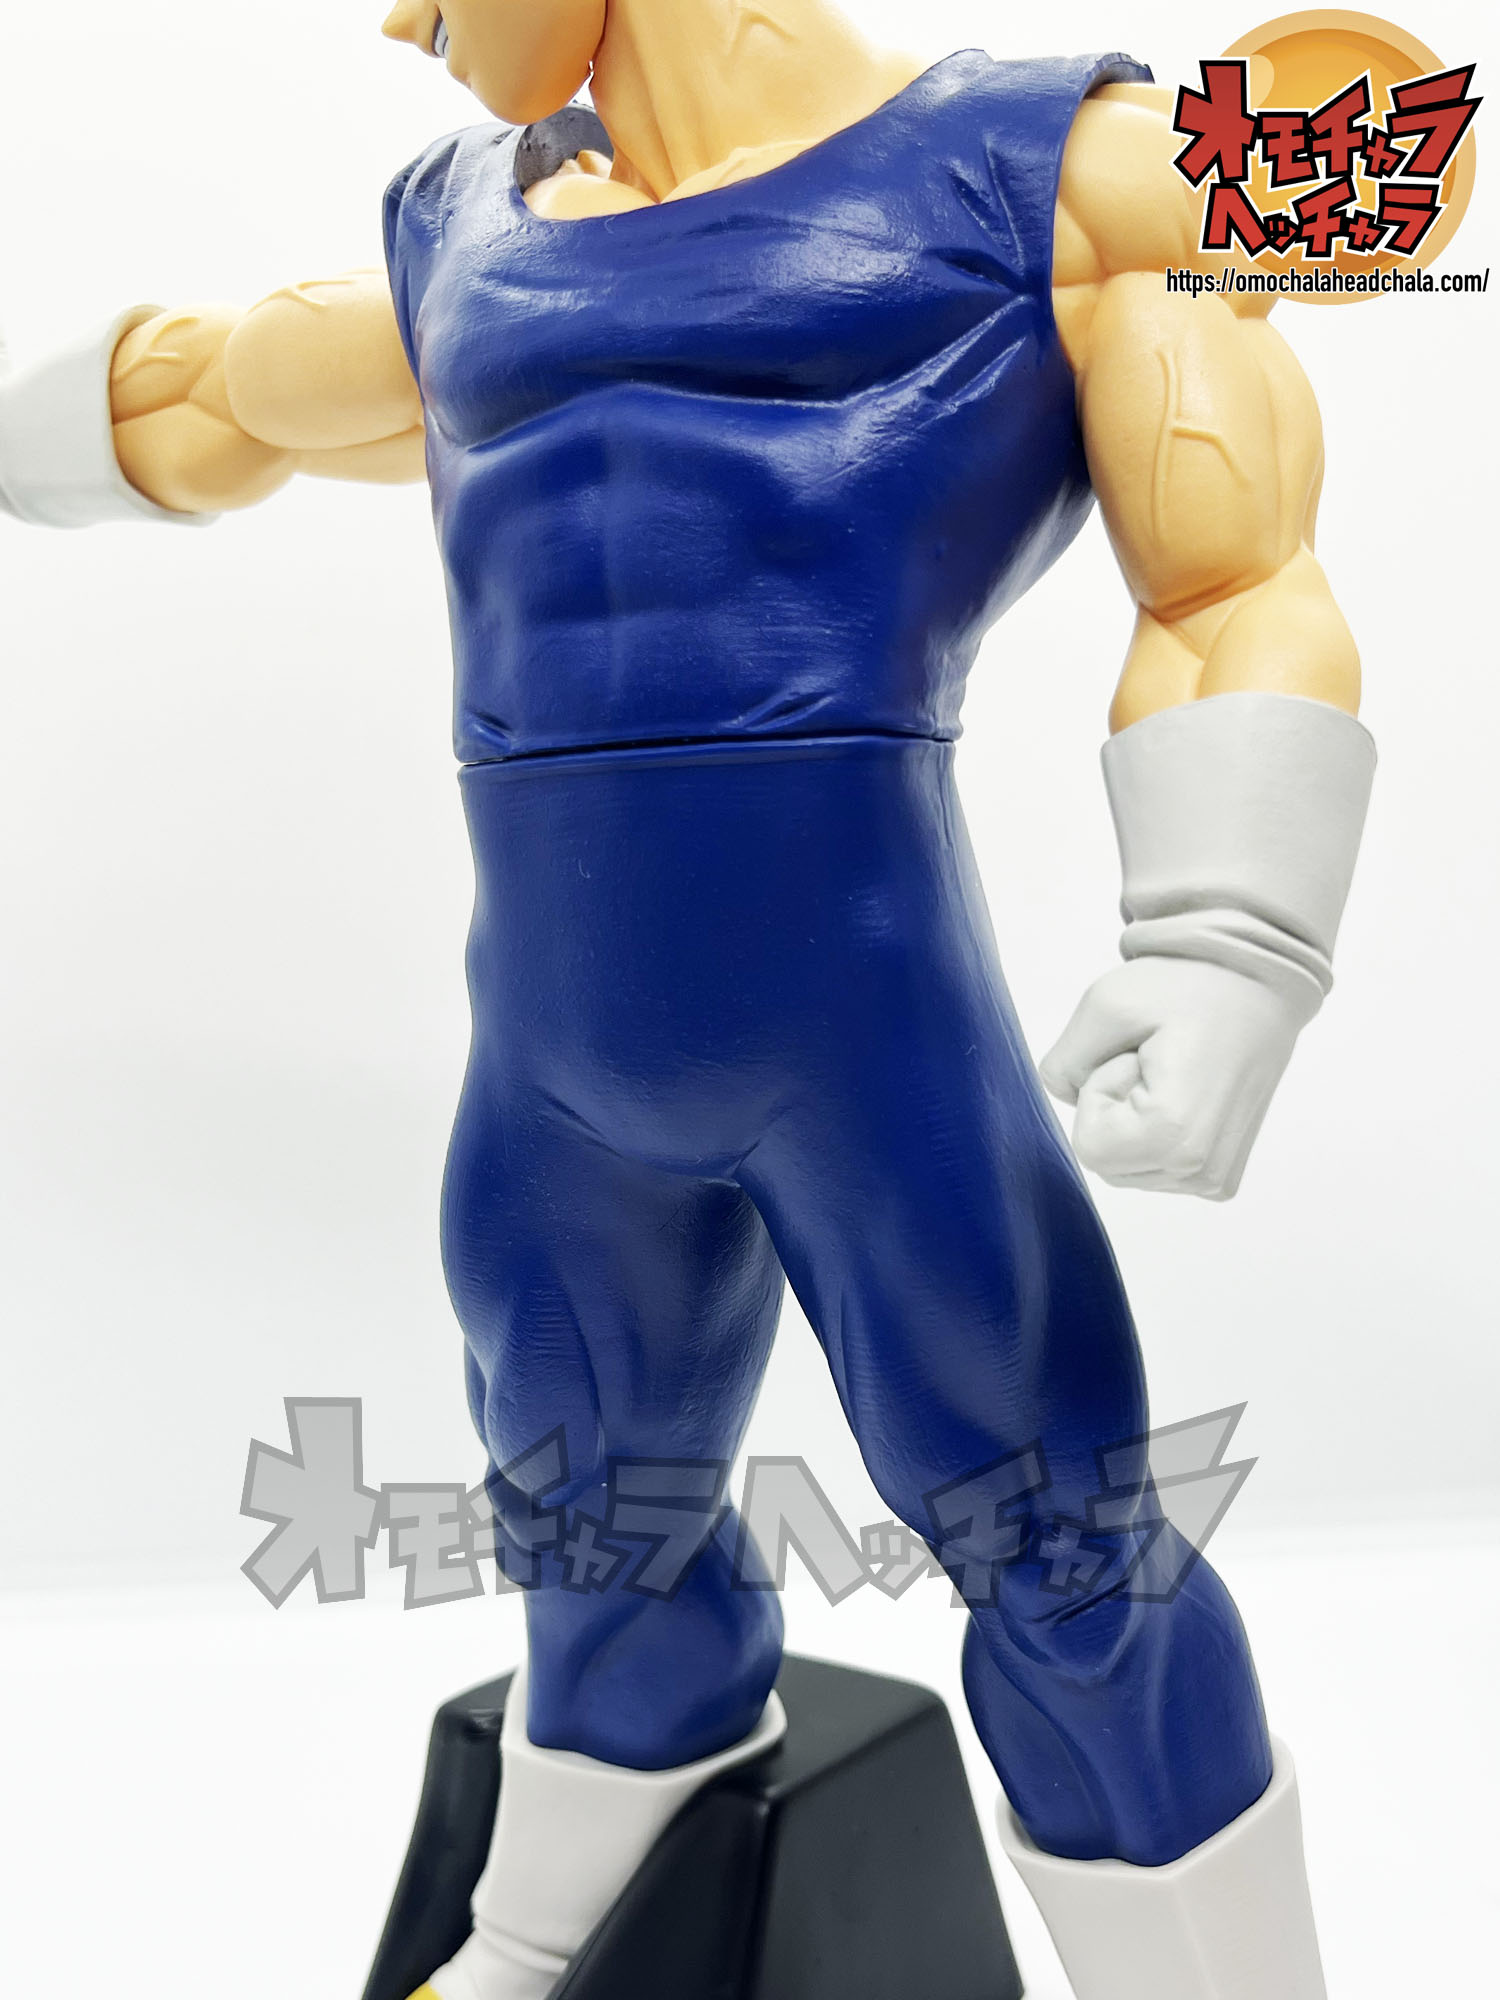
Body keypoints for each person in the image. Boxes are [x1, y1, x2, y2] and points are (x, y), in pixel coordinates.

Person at [0, 4, 1376, 1997]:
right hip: (552, 1071)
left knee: (1063, 1555)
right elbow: (210, 395)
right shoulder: (459, 239)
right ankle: (545, 1931)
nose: (399, 16)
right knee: (582, 1525)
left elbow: (1236, 571)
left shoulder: (1055, 173)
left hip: (872, 1045)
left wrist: (1230, 934)